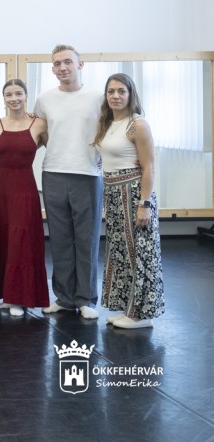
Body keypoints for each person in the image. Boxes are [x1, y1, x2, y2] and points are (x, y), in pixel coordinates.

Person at [34, 44, 104, 319]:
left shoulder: (98, 97)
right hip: (53, 172)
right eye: (57, 64)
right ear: (52, 69)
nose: (62, 67)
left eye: (67, 62)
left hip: (87, 174)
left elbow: (111, 130)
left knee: (86, 239)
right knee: (60, 239)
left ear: (80, 64)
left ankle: (86, 298)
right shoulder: (44, 99)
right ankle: (64, 298)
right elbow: (37, 135)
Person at [94, 73, 165, 329]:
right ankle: (128, 308)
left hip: (134, 193)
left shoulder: (138, 125)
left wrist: (144, 204)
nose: (115, 96)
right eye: (111, 91)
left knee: (139, 252)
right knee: (121, 252)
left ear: (130, 94)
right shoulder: (107, 123)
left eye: (121, 91)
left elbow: (149, 167)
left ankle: (141, 315)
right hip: (113, 192)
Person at [0, 79, 50, 316]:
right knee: (2, 237)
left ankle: (19, 297)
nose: (14, 98)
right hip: (0, 188)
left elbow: (58, 150)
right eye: (9, 94)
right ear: (3, 98)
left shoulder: (39, 124)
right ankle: (7, 294)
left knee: (21, 239)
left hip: (24, 187)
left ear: (26, 96)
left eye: (18, 93)